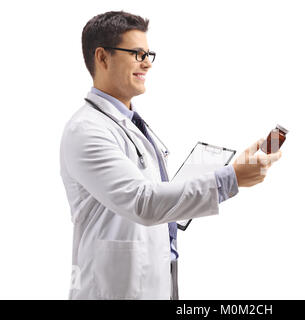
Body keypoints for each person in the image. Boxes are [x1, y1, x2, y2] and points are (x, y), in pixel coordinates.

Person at [59, 10, 282, 300]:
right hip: (114, 287)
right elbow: (143, 201)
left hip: (161, 271)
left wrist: (233, 171)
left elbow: (155, 193)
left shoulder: (132, 123)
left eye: (149, 53)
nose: (148, 63)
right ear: (102, 57)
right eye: (137, 54)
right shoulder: (86, 130)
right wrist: (230, 179)